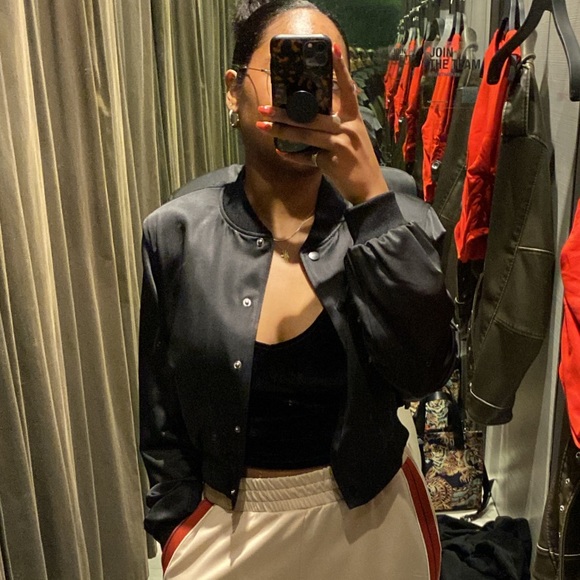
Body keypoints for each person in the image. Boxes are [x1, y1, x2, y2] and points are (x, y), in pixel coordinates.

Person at [139, 1, 456, 578]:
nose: (304, 93)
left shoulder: (402, 222)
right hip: (226, 530)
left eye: (324, 75)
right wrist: (178, 530)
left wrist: (372, 200)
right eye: (288, 69)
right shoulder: (176, 233)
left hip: (374, 521)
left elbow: (425, 373)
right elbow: (161, 417)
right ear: (234, 91)